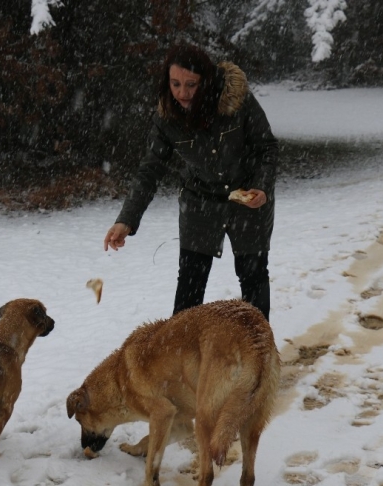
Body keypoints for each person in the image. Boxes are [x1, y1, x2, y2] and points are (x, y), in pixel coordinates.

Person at [103, 44, 278, 321]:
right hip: (200, 203)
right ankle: (181, 360)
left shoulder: (237, 101)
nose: (182, 93)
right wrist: (126, 219)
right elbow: (150, 170)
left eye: (191, 84)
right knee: (189, 290)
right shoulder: (167, 118)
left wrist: (263, 187)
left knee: (253, 277)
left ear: (206, 81)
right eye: (175, 83)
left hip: (247, 198)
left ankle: (259, 356)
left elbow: (266, 147)